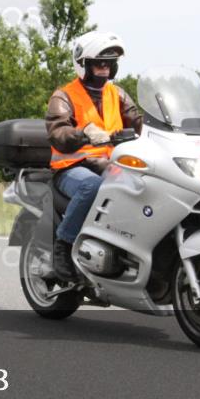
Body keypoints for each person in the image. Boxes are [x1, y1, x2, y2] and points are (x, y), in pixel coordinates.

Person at [46, 31, 143, 282]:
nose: (103, 68)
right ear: (83, 64)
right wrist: (84, 133)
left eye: (109, 63)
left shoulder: (117, 94)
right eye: (98, 63)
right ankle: (63, 247)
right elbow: (58, 133)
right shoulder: (63, 96)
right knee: (93, 186)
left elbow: (140, 121)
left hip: (110, 165)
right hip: (72, 168)